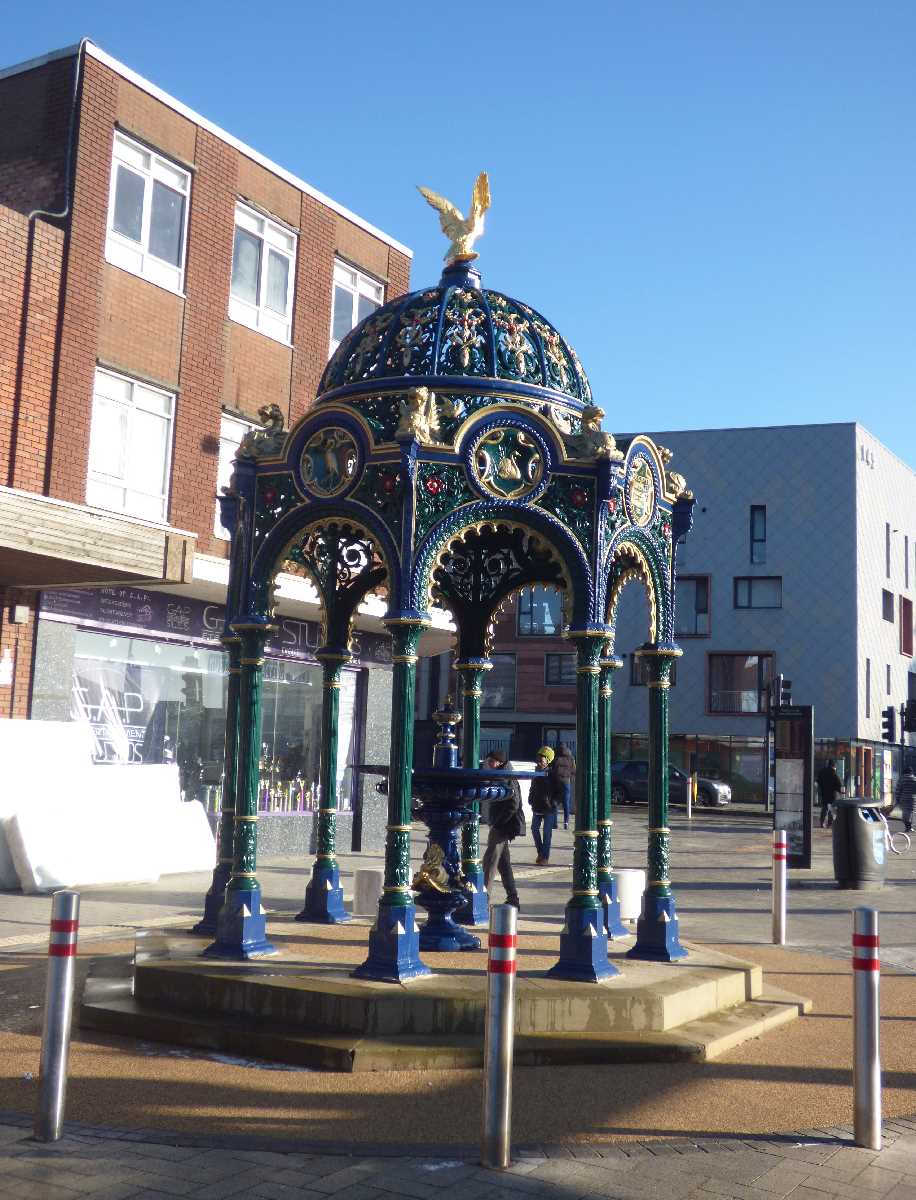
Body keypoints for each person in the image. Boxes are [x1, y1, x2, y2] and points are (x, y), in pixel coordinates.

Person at [481, 750, 524, 909]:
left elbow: (514, 803)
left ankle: (483, 900)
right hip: (502, 824)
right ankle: (513, 898)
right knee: (503, 863)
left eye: (491, 761)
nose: (489, 764)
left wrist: (499, 822)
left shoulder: (505, 776)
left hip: (502, 826)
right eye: (488, 761)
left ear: (499, 762)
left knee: (490, 862)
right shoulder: (503, 774)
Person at [530, 746, 559, 864]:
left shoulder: (552, 774)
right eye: (538, 760)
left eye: (541, 760)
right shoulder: (536, 773)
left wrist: (553, 803)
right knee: (534, 829)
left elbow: (559, 791)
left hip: (549, 808)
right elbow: (532, 787)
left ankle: (545, 857)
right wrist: (530, 799)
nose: (539, 762)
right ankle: (541, 853)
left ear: (547, 761)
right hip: (537, 805)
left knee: (547, 833)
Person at [550, 742, 576, 829]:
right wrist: (569, 777)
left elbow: (551, 768)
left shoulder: (555, 757)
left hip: (556, 781)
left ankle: (554, 823)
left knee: (555, 802)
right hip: (566, 782)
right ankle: (566, 822)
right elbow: (574, 770)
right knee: (566, 803)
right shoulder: (571, 758)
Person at [816, 758, 844, 828]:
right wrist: (840, 791)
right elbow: (838, 784)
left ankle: (822, 822)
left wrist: (821, 789)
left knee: (824, 808)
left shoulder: (822, 772)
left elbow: (818, 781)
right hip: (832, 794)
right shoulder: (834, 774)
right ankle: (829, 823)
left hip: (824, 793)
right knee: (831, 809)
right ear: (833, 766)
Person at [895, 764, 916, 834]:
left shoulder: (901, 779)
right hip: (912, 799)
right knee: (911, 813)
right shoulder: (914, 779)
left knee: (905, 813)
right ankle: (909, 827)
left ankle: (908, 826)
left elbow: (898, 790)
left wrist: (897, 799)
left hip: (903, 799)